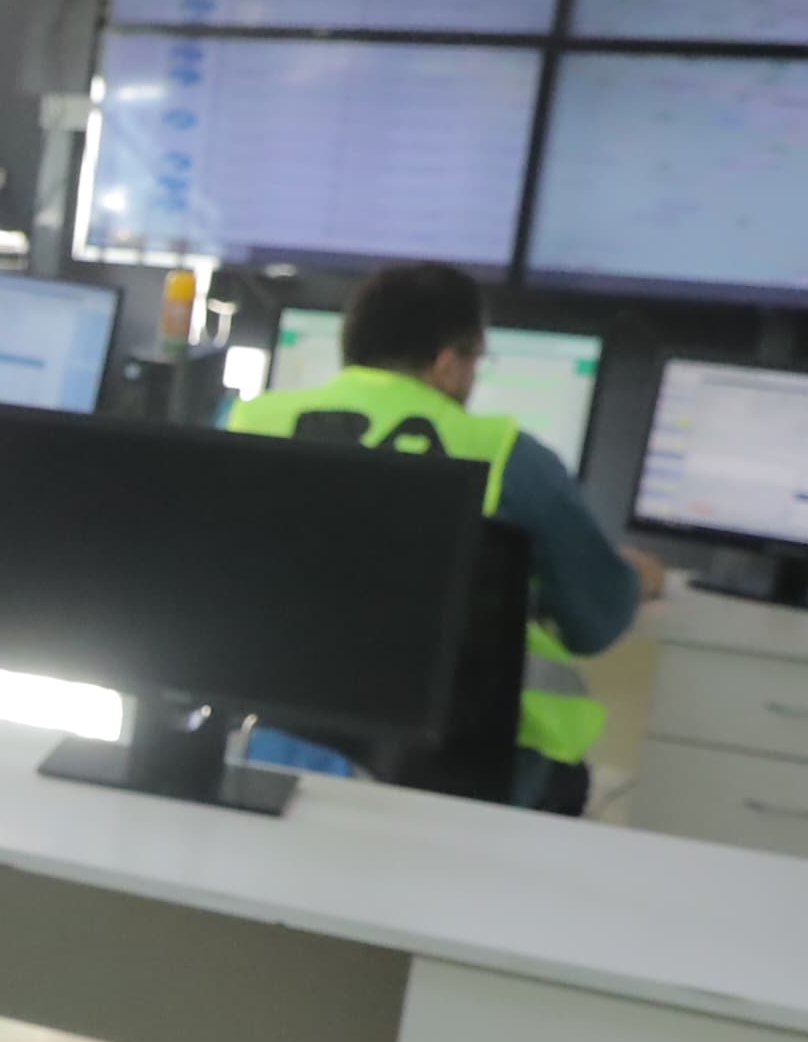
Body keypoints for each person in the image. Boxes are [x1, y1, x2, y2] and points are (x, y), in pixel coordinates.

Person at [227, 261, 661, 815]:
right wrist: (635, 576)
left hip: (274, 757)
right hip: (470, 779)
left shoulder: (250, 423)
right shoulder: (507, 456)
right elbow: (597, 621)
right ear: (449, 363)